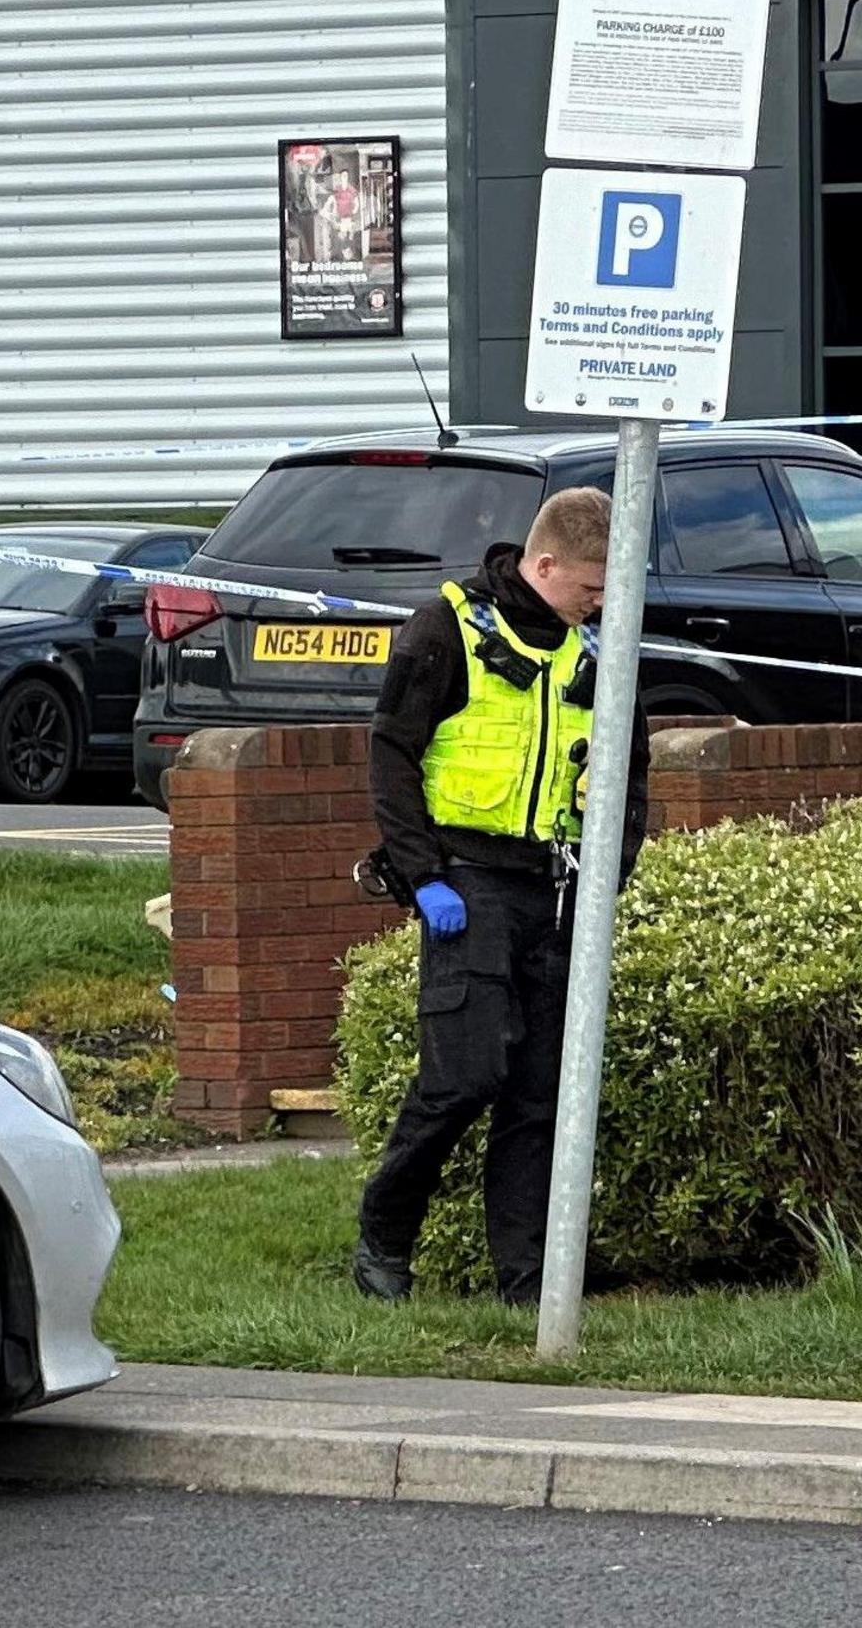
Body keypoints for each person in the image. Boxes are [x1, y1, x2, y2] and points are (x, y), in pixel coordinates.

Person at [351, 485, 648, 1307]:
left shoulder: (599, 650)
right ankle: (385, 1231)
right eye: (592, 585)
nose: (602, 601)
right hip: (467, 883)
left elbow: (630, 776)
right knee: (465, 1077)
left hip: (556, 891)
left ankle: (529, 1283)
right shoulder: (446, 629)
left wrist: (608, 879)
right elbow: (391, 753)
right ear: (543, 561)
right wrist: (424, 875)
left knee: (539, 1096)